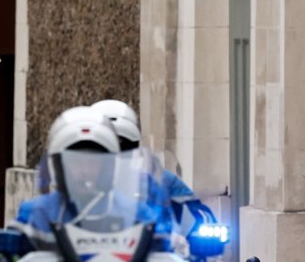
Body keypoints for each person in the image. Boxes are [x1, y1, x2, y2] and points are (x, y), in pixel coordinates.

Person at [17, 106, 166, 233]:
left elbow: (162, 245)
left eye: (93, 162)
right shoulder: (35, 213)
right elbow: (10, 250)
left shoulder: (136, 214)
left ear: (108, 166)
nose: (85, 170)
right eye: (76, 161)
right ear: (60, 165)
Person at [90, 99, 217, 237]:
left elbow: (201, 217)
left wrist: (195, 224)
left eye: (123, 147)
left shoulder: (159, 180)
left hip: (149, 247)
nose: (114, 156)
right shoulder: (76, 188)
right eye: (103, 150)